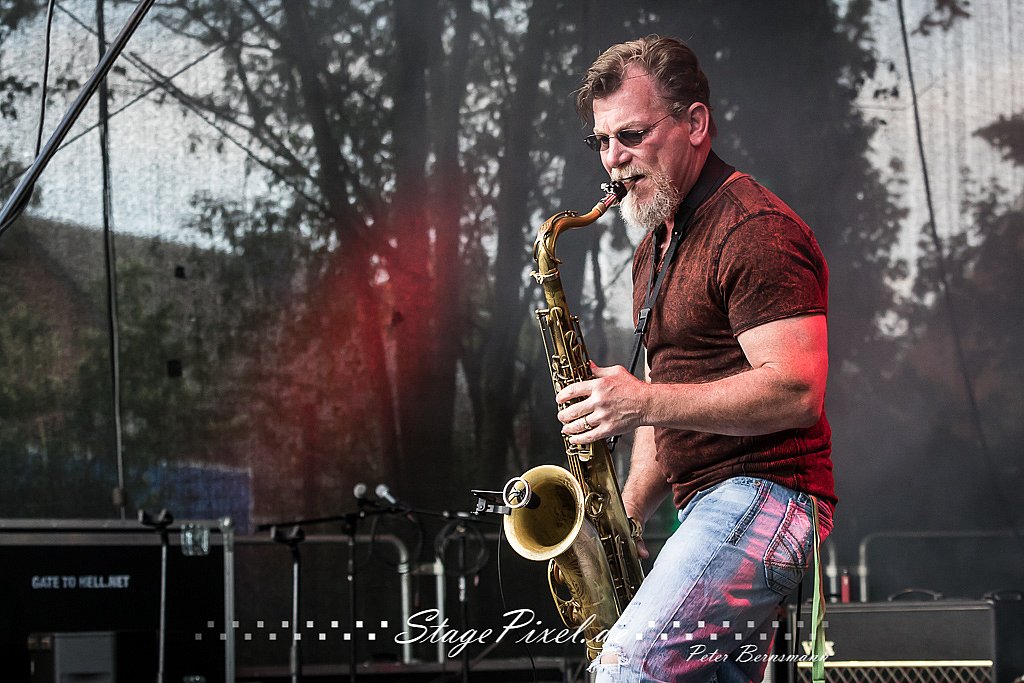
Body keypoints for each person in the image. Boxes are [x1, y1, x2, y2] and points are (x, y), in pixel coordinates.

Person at [554, 36, 836, 682]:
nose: (613, 158)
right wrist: (625, 516)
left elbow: (797, 391)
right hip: (710, 502)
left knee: (625, 669)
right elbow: (668, 393)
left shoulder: (754, 229)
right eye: (602, 141)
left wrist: (640, 400)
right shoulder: (655, 246)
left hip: (769, 494)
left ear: (696, 124)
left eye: (631, 134)